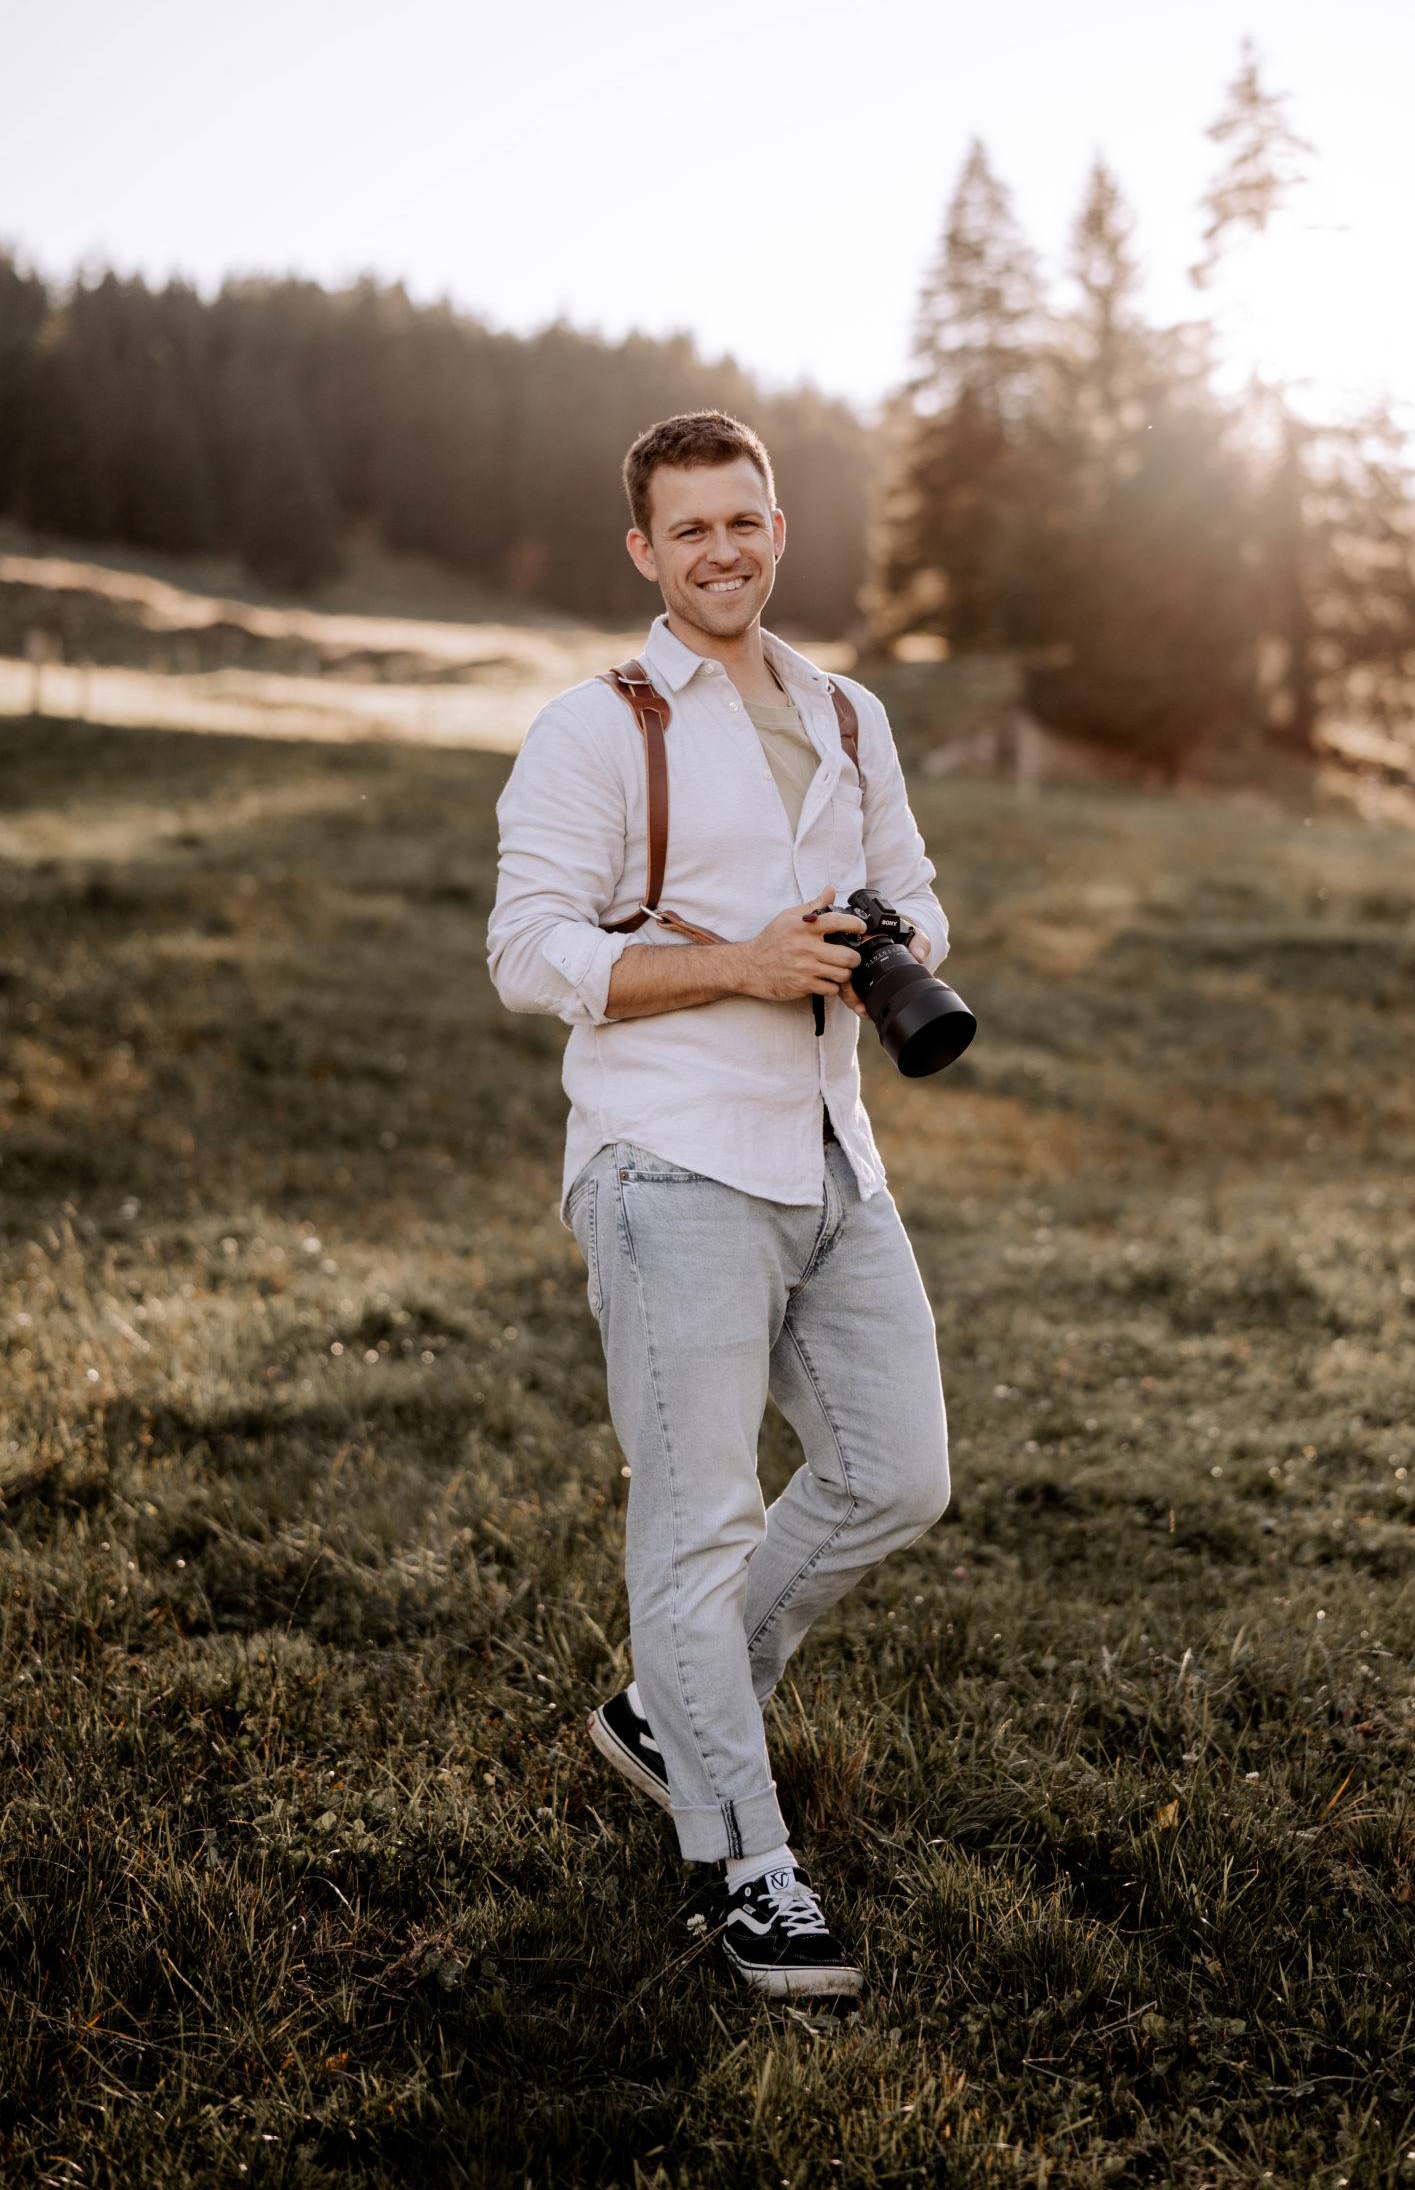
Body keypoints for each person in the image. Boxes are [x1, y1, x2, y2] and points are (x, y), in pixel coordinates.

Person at [485, 408, 953, 2001]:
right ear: (645, 550)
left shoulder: (846, 710)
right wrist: (745, 962)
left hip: (831, 1149)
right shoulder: (595, 729)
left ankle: (662, 1713)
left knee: (899, 1477)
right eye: (690, 529)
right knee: (699, 1523)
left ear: (778, 525)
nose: (724, 550)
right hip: (669, 1157)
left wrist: (894, 929)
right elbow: (528, 948)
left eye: (744, 520)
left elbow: (925, 886)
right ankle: (746, 1865)